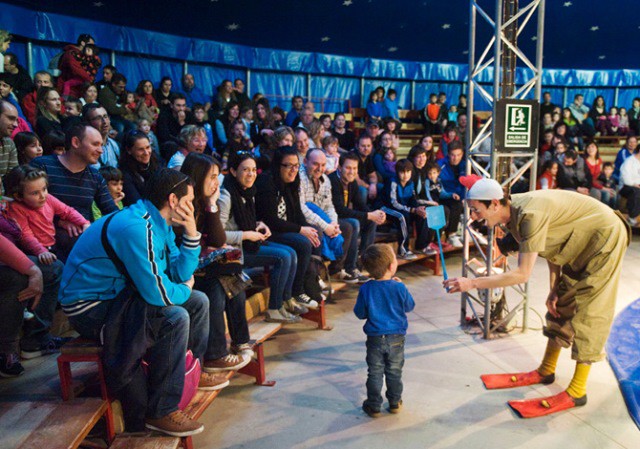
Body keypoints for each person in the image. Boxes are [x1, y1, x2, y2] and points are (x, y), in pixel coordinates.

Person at [59, 168, 229, 436]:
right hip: (90, 307)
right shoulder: (137, 227)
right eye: (189, 200)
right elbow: (159, 295)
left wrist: (192, 232)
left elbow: (179, 273)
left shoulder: (159, 224)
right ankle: (161, 410)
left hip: (120, 297)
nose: (192, 205)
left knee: (197, 301)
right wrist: (184, 288)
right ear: (174, 201)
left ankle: (189, 373)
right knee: (175, 317)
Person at [444, 177, 630, 418]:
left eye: (477, 210)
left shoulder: (529, 216)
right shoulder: (513, 215)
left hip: (606, 239)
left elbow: (522, 274)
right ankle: (547, 369)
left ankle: (577, 390)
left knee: (590, 313)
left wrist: (472, 283)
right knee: (560, 304)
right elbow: (552, 245)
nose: (474, 217)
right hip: (579, 243)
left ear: (494, 204)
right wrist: (554, 288)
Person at [181, 153, 253, 370]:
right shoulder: (183, 206)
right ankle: (214, 355)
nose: (216, 183)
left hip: (197, 265)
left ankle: (239, 342)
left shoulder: (205, 204)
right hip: (183, 269)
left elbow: (217, 239)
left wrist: (212, 205)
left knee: (233, 279)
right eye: (211, 177)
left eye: (217, 177)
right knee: (216, 286)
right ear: (196, 178)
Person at [219, 151, 304, 322]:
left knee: (291, 253)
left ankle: (285, 300)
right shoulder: (226, 195)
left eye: (253, 170)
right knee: (283, 257)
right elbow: (218, 235)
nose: (250, 174)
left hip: (249, 242)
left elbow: (246, 220)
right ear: (234, 171)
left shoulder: (248, 191)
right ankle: (274, 308)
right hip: (235, 251)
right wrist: (247, 234)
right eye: (245, 170)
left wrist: (259, 224)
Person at [254, 147, 322, 311]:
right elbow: (271, 220)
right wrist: (301, 230)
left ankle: (312, 281)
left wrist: (306, 228)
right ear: (278, 165)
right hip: (267, 232)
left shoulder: (291, 183)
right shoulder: (266, 182)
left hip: (283, 228)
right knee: (302, 242)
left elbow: (296, 212)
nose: (293, 170)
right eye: (288, 166)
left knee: (314, 233)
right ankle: (297, 291)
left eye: (296, 166)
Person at [354, 243, 415, 418]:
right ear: (391, 266)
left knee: (374, 372)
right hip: (396, 337)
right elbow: (409, 306)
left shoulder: (365, 288)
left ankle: (374, 406)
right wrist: (403, 287)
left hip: (374, 337)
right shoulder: (398, 287)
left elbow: (360, 313)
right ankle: (395, 402)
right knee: (394, 371)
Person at [0, 224, 65, 376]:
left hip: (8, 256)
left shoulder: (5, 208)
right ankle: (6, 351)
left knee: (53, 268)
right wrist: (31, 270)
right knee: (16, 277)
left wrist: (40, 251)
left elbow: (21, 233)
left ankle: (36, 339)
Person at [30, 123, 118, 223]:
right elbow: (27, 206)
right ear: (75, 142)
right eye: (95, 144)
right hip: (46, 233)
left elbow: (111, 211)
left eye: (101, 145)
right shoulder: (42, 166)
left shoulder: (95, 176)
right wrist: (59, 221)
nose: (101, 150)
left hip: (84, 234)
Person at [4, 165, 89, 263]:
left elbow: (67, 211)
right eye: (35, 193)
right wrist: (41, 251)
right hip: (33, 251)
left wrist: (84, 223)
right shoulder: (17, 208)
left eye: (44, 189)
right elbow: (25, 235)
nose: (42, 196)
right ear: (19, 196)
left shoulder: (48, 198)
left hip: (52, 244)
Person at [329, 152, 385, 281]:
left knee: (371, 222)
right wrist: (368, 215)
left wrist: (375, 215)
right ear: (339, 167)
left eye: (354, 168)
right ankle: (350, 267)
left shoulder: (352, 182)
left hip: (343, 216)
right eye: (348, 168)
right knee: (354, 223)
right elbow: (340, 210)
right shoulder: (332, 181)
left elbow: (360, 205)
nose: (352, 171)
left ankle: (362, 262)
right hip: (331, 219)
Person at [119, 130, 160, 206]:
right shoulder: (124, 174)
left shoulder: (157, 162)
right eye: (141, 149)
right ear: (129, 150)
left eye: (148, 147)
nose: (146, 153)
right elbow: (136, 203)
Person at [437, 141, 466, 248]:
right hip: (444, 196)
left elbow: (466, 184)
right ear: (448, 154)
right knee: (456, 205)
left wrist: (464, 198)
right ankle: (451, 235)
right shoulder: (440, 165)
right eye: (453, 155)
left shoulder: (465, 165)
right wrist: (450, 194)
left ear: (462, 154)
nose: (456, 158)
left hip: (459, 196)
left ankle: (470, 231)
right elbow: (438, 185)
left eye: (458, 155)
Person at [97, 73, 135, 138]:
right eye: (120, 87)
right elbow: (113, 110)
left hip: (119, 116)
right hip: (108, 116)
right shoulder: (105, 92)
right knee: (120, 126)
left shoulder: (121, 92)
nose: (122, 89)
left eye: (124, 87)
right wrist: (125, 109)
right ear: (113, 84)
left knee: (133, 126)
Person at [83, 104, 120, 169]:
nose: (104, 122)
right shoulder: (86, 148)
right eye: (98, 118)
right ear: (87, 122)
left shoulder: (114, 144)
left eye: (105, 116)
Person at [619, 147, 640, 227]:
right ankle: (632, 217)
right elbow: (626, 179)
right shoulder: (629, 161)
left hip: (638, 186)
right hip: (626, 186)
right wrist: (635, 184)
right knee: (636, 191)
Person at [0, 99, 19, 186]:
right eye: (11, 118)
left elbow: (13, 180)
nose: (15, 125)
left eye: (16, 120)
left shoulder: (9, 143)